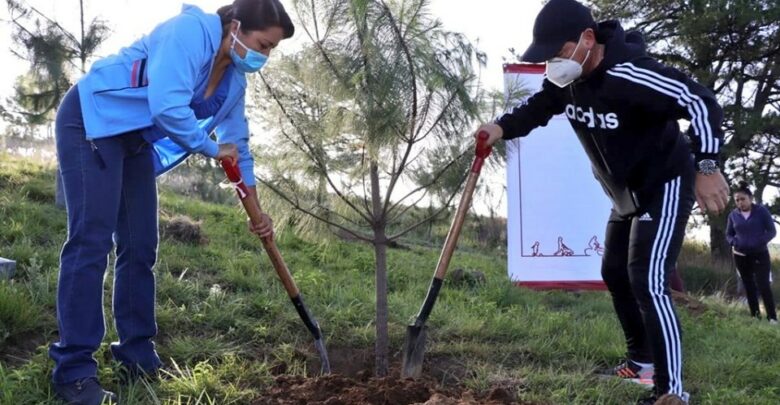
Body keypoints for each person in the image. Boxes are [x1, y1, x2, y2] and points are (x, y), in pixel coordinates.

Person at [474, 0, 729, 403]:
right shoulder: (567, 81)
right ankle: (641, 363)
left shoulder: (634, 75)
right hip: (623, 194)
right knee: (614, 271)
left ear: (587, 40)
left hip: (662, 185)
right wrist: (500, 127)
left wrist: (709, 164)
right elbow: (539, 108)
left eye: (559, 53)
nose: (553, 64)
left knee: (649, 281)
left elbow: (700, 100)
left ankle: (672, 391)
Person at [50, 1, 293, 403]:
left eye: (271, 51)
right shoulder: (189, 33)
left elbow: (239, 147)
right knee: (91, 242)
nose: (264, 57)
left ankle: (136, 354)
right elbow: (166, 106)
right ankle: (73, 371)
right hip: (91, 119)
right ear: (235, 26)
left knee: (141, 244)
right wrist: (211, 148)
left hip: (133, 141)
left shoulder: (234, 81)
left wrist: (257, 209)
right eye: (262, 45)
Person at [726, 181, 777, 323]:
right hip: (740, 256)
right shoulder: (733, 215)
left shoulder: (761, 212)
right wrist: (734, 242)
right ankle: (755, 316)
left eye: (743, 199)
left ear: (750, 198)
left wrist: (760, 241)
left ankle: (772, 317)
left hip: (760, 254)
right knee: (748, 286)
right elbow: (729, 234)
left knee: (763, 285)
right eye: (737, 200)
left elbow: (772, 231)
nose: (740, 203)